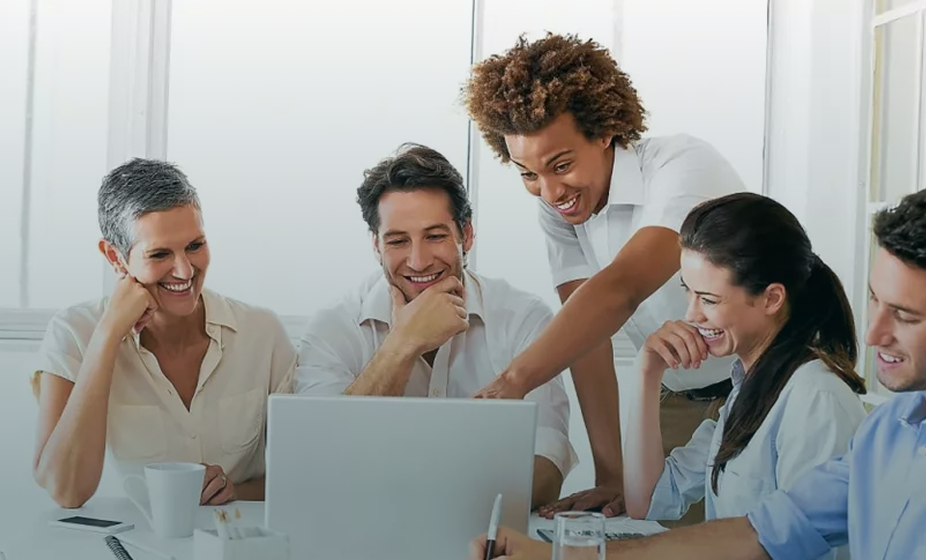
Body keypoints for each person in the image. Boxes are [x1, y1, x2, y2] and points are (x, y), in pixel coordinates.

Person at [466, 177, 926, 560]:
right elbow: (757, 536)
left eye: (905, 316)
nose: (876, 334)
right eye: (877, 300)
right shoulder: (898, 425)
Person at [464, 33, 744, 521]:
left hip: (763, 382)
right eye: (527, 173)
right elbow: (587, 337)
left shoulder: (683, 167)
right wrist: (609, 477)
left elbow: (623, 287)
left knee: (745, 553)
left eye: (562, 165)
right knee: (654, 539)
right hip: (678, 394)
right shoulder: (562, 211)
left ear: (604, 132)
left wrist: (515, 380)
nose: (550, 192)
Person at [293, 144, 576, 509]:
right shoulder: (334, 327)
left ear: (466, 235)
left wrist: (428, 502)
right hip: (361, 530)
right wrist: (404, 343)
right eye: (398, 241)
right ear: (377, 247)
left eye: (435, 236)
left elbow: (546, 467)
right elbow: (319, 464)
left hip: (482, 535)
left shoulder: (523, 318)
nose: (419, 260)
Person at [623, 192, 866, 560]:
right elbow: (648, 501)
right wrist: (648, 372)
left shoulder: (815, 398)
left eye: (709, 299)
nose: (691, 315)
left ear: (771, 298)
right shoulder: (748, 389)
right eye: (688, 291)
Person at [32, 159, 297, 509]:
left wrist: (236, 491)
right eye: (160, 254)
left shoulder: (262, 333)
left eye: (195, 245)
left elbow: (304, 475)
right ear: (115, 257)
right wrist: (108, 335)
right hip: (130, 549)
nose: (185, 270)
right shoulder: (73, 332)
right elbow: (66, 490)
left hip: (234, 544)